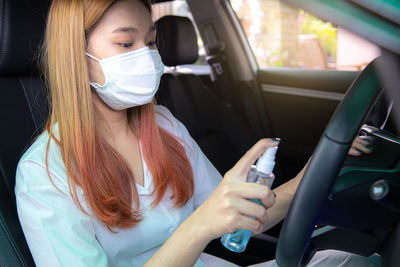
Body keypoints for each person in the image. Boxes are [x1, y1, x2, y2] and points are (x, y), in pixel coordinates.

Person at [14, 0, 375, 266]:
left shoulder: (164, 125)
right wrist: (198, 227)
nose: (146, 56)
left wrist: (316, 173)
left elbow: (236, 219)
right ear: (77, 56)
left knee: (349, 261)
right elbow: (206, 222)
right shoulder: (43, 175)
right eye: (125, 44)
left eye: (151, 42)